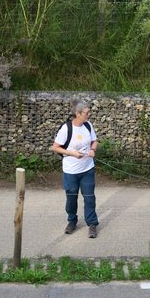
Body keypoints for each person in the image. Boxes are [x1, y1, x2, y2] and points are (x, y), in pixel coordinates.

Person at [50, 100, 100, 238]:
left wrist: (92, 149)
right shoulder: (66, 129)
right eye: (87, 112)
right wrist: (73, 153)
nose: (89, 115)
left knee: (89, 197)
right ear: (77, 114)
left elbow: (94, 141)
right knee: (71, 198)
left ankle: (92, 224)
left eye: (89, 112)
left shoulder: (88, 125)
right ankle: (72, 221)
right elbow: (55, 147)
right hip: (71, 171)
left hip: (88, 169)